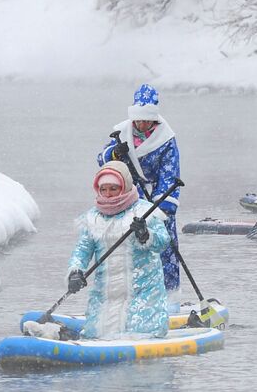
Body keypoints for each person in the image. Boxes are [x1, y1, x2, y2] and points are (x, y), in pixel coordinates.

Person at [67, 162, 172, 339]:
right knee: (97, 334)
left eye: (113, 189)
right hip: (105, 294)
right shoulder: (92, 218)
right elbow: (82, 249)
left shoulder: (145, 211)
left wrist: (145, 234)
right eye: (104, 189)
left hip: (143, 292)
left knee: (140, 333)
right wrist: (75, 272)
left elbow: (163, 242)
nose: (108, 194)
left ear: (125, 186)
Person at [99, 83, 182, 292]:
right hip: (129, 196)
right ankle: (126, 292)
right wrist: (115, 153)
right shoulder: (120, 132)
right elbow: (102, 161)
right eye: (138, 120)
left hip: (158, 199)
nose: (142, 125)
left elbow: (169, 174)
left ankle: (169, 293)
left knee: (164, 244)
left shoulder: (167, 139)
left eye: (146, 120)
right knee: (127, 246)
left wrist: (157, 209)